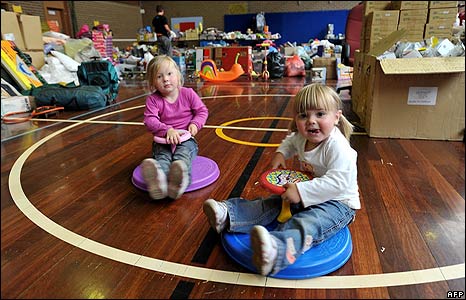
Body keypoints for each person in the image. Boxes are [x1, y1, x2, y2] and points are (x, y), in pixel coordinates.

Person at [203, 83, 360, 276]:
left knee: (310, 222)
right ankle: (229, 215)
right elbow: (290, 141)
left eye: (320, 114)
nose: (311, 121)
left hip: (338, 203)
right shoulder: (303, 137)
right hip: (309, 191)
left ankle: (277, 250)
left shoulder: (338, 147)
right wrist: (281, 153)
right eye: (303, 115)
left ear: (336, 117)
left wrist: (301, 191)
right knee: (273, 203)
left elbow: (339, 184)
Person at [142, 55, 208, 200]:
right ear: (153, 82)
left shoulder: (188, 94)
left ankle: (181, 179)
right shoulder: (153, 100)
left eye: (169, 74)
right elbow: (149, 120)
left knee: (182, 156)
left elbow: (202, 111)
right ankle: (160, 182)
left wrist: (195, 124)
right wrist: (167, 130)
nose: (165, 79)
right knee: (162, 158)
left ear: (178, 75)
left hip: (186, 139)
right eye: (159, 76)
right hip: (163, 140)